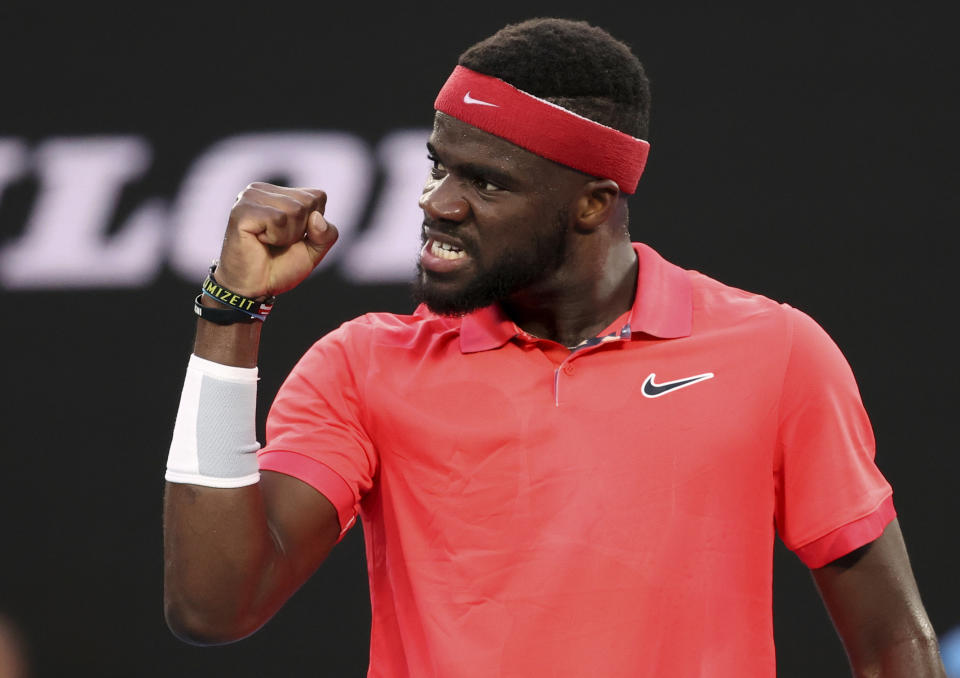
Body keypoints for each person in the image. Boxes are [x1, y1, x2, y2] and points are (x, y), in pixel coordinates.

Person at [163, 18, 946, 677]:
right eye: (438, 165)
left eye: (487, 182)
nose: (438, 204)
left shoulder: (775, 352)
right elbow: (214, 605)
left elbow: (892, 644)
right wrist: (231, 312)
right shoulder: (362, 366)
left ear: (592, 204)